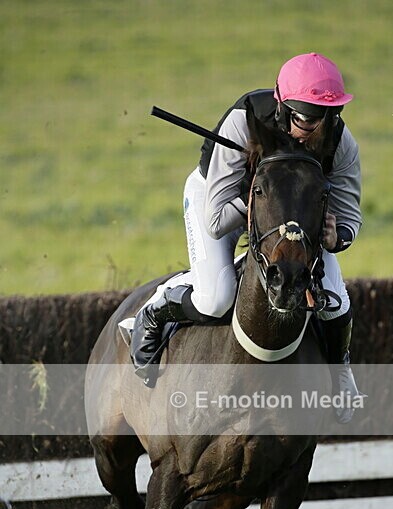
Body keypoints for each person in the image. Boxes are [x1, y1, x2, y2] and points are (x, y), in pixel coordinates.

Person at [130, 52, 363, 420]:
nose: (316, 129)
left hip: (292, 216)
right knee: (216, 298)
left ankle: (341, 371)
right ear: (283, 107)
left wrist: (336, 238)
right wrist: (266, 190)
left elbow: (349, 215)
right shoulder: (244, 120)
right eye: (307, 118)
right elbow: (216, 220)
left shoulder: (341, 141)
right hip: (222, 201)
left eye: (326, 116)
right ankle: (158, 308)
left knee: (336, 302)